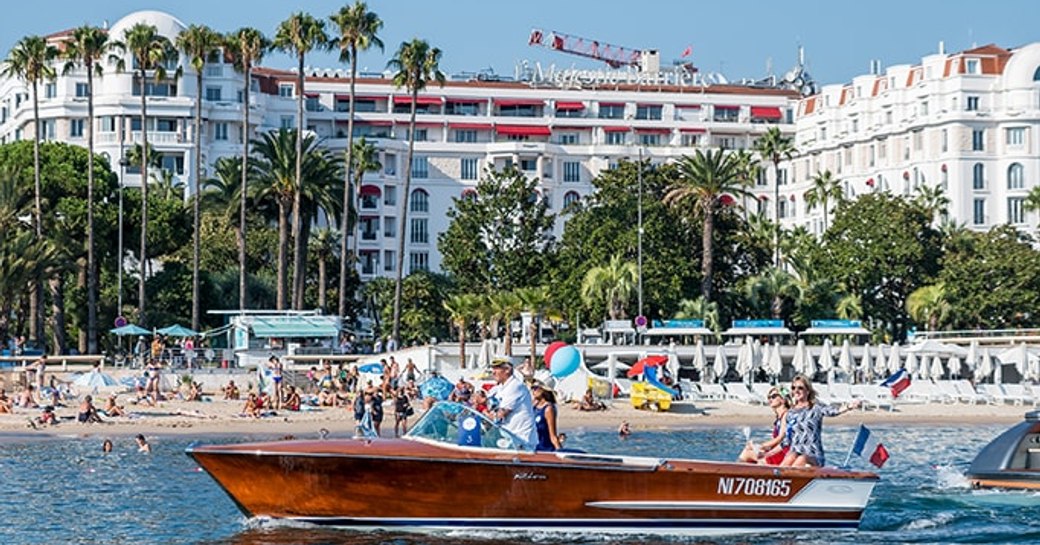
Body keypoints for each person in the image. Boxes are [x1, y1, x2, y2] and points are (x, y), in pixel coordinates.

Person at [780, 374, 860, 467]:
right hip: (795, 454)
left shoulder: (816, 408)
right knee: (791, 456)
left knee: (802, 458)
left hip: (813, 456)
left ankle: (790, 478)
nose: (796, 391)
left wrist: (849, 406)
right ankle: (778, 477)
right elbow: (786, 439)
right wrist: (767, 452)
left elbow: (833, 411)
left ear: (808, 391)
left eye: (800, 388)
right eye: (793, 388)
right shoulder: (791, 413)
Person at [487, 358, 538, 449]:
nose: (493, 372)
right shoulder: (500, 387)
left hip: (521, 440)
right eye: (493, 368)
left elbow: (499, 416)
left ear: (507, 369)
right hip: (508, 438)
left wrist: (484, 412)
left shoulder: (515, 386)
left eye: (497, 368)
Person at [738, 386, 790, 464]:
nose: (770, 399)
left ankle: (732, 474)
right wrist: (758, 447)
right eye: (769, 397)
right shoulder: (779, 418)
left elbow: (780, 438)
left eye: (773, 396)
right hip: (777, 451)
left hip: (782, 454)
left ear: (782, 399)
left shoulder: (786, 415)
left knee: (746, 454)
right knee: (749, 450)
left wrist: (760, 446)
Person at [531, 381, 561, 451]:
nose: (533, 390)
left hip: (545, 449)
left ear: (543, 390)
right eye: (532, 388)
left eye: (535, 388)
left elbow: (553, 435)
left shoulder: (548, 409)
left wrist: (559, 451)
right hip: (533, 448)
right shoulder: (534, 406)